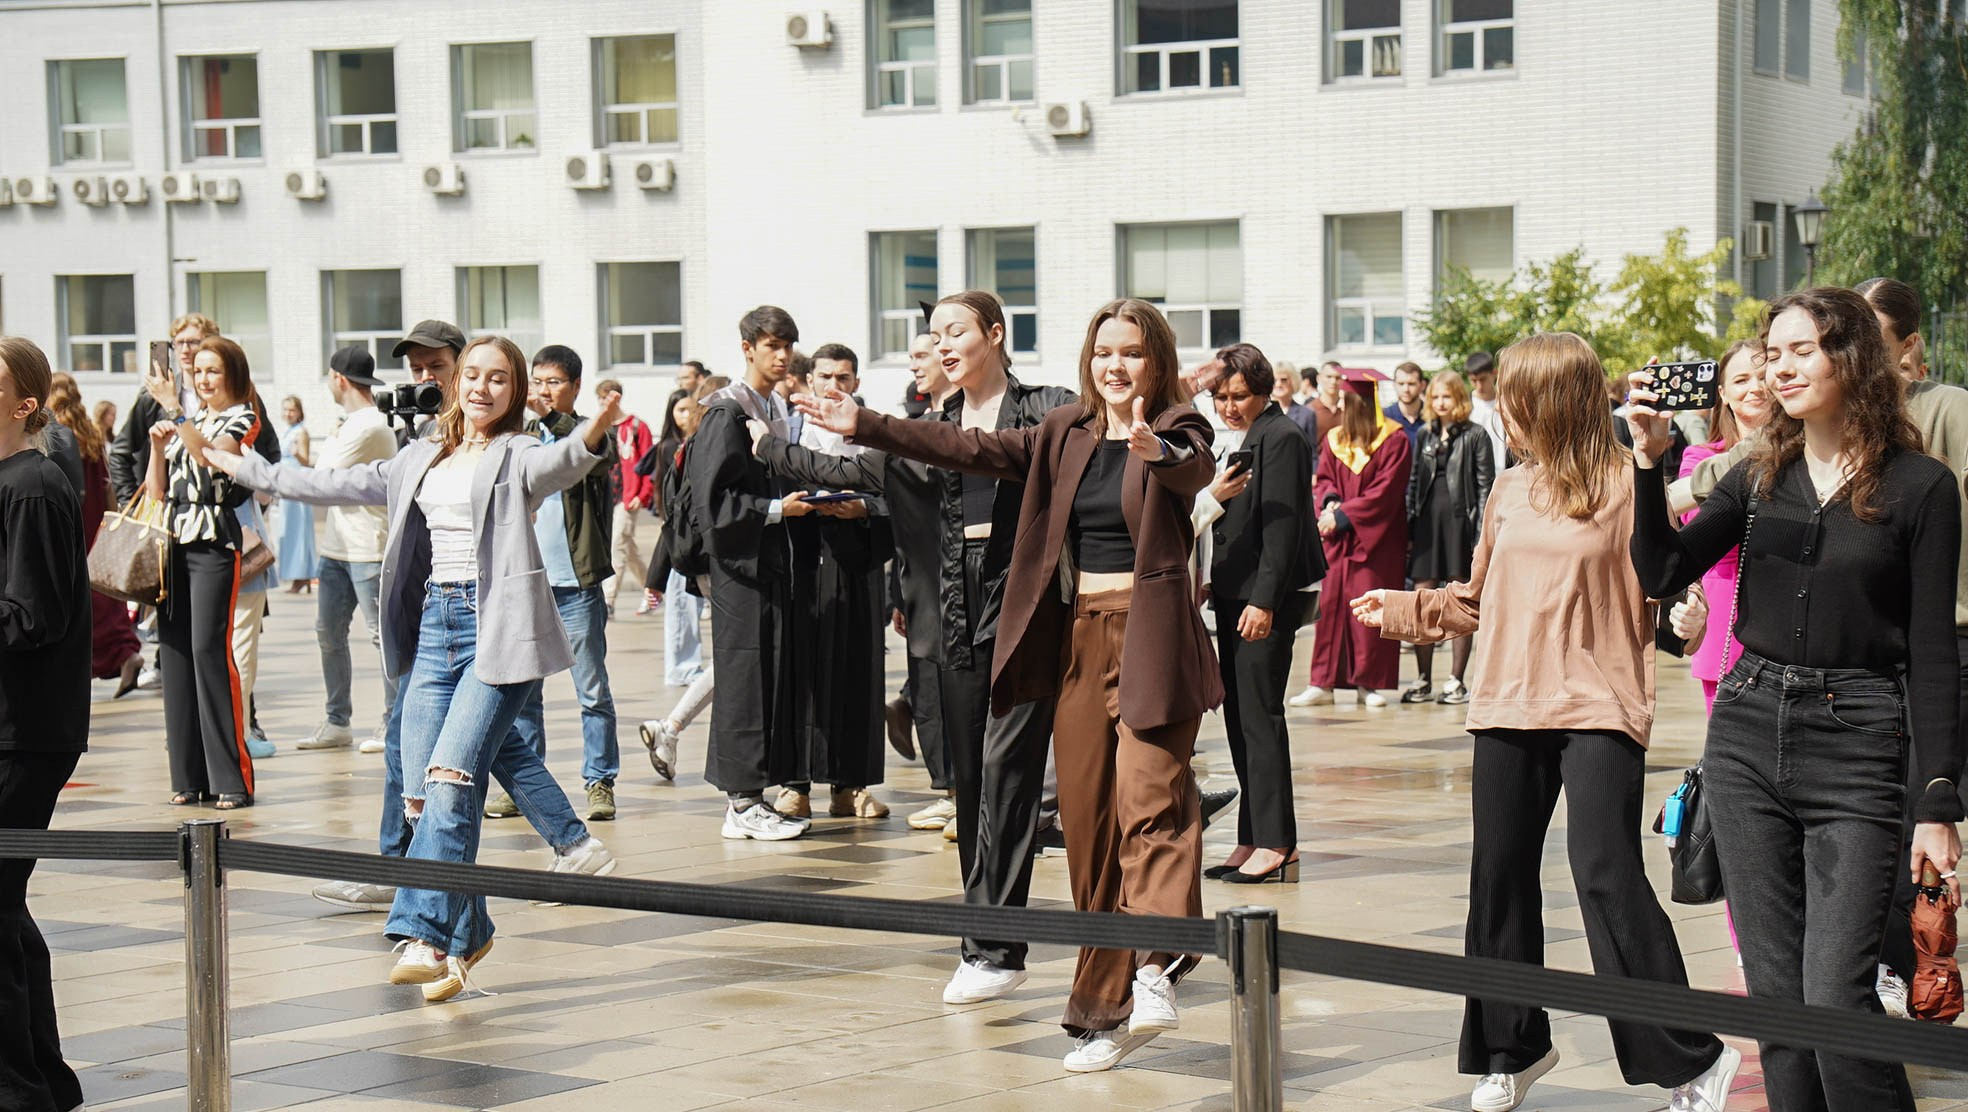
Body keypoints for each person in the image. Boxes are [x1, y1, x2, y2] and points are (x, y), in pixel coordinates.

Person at [799, 296, 1219, 1074]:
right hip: (1077, 643)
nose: (1115, 366)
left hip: (1155, 641)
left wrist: (1151, 447)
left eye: (1130, 353)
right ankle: (1104, 1013)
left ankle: (1158, 966)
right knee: (1091, 830)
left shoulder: (1178, 429)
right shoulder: (1064, 431)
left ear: (1155, 362)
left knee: (1151, 800)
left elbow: (1196, 467)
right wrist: (867, 425)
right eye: (1103, 353)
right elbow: (969, 447)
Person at [1354, 331, 1740, 1112]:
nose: (1502, 411)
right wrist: (1403, 609)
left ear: (1551, 400)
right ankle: (1511, 1048)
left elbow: (1665, 578)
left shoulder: (1631, 482)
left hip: (1599, 704)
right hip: (1506, 701)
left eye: (1514, 399)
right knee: (1496, 879)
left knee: (1605, 875)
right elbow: (1474, 598)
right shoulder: (1507, 490)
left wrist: (1685, 611)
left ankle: (1688, 1059)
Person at [1629, 288, 1964, 1110]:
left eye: (1800, 350)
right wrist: (1647, 465)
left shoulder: (1921, 488)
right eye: (1771, 352)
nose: (1779, 367)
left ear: (1850, 356)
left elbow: (1930, 652)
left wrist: (1938, 798)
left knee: (1835, 1001)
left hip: (1859, 745)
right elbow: (1662, 570)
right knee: (1778, 1007)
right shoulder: (1757, 473)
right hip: (1745, 732)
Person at [208, 336, 621, 998]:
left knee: (453, 773)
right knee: (422, 795)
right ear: (458, 384)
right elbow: (327, 484)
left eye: (499, 380)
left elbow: (560, 465)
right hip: (434, 629)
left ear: (514, 394)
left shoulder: (516, 454)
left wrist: (596, 431)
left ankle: (424, 935)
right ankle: (471, 930)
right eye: (474, 376)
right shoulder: (419, 455)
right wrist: (248, 467)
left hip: (497, 631)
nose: (482, 388)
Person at [0, 336, 91, 1112]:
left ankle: (22, 1086)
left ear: (23, 403)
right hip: (17, 728)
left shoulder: (31, 483)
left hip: (22, 732)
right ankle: (42, 1082)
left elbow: (32, 616)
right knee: (3, 904)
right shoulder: (15, 480)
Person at [688, 307, 820, 841]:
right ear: (747, 347)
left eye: (788, 344)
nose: (782, 354)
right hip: (740, 570)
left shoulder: (773, 411)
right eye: (771, 344)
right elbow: (712, 504)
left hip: (772, 567)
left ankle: (756, 795)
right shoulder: (726, 412)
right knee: (744, 678)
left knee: (770, 676)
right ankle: (741, 802)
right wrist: (774, 511)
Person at [1196, 344, 1321, 884]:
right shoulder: (1247, 435)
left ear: (1265, 391)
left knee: (1261, 717)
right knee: (1242, 719)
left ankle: (1277, 840)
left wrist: (1264, 601)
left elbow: (1284, 526)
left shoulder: (1283, 435)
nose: (1228, 406)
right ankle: (1253, 835)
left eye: (1238, 396)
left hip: (1261, 598)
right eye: (1221, 397)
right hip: (1233, 592)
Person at [491, 344, 622, 823]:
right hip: (526, 583)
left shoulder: (593, 434)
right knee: (524, 694)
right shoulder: (517, 436)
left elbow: (598, 457)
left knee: (591, 690)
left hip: (576, 585)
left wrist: (559, 422)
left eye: (554, 383)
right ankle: (525, 784)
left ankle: (600, 781)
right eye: (538, 382)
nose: (543, 392)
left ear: (575, 388)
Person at [763, 343, 894, 820]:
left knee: (856, 677)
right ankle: (795, 784)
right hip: (801, 563)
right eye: (825, 377)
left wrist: (864, 508)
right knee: (798, 674)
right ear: (807, 381)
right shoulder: (785, 433)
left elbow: (902, 503)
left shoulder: (876, 435)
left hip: (856, 567)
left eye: (843, 378)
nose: (833, 386)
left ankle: (850, 786)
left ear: (856, 384)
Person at [143, 336, 262, 809]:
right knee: (173, 654)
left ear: (232, 373)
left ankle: (231, 779)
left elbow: (211, 458)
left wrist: (176, 413)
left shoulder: (243, 416)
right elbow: (157, 492)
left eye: (213, 370)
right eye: (199, 371)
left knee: (208, 651)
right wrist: (156, 447)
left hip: (214, 542)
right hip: (171, 541)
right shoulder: (188, 420)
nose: (204, 378)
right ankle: (187, 776)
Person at [293, 347, 399, 754]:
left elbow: (323, 477)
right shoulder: (351, 424)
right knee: (328, 633)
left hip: (369, 546)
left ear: (339, 378)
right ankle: (338, 720)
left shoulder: (370, 426)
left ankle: (393, 721)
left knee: (381, 637)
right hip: (337, 546)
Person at [1294, 367, 1412, 708]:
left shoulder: (1394, 440)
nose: (1342, 407)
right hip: (1339, 541)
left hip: (1375, 541)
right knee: (1330, 608)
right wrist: (1330, 502)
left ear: (1363, 403)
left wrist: (1343, 516)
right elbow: (1325, 477)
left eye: (1348, 401)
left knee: (1367, 607)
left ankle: (1369, 683)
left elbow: (1385, 494)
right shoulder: (1335, 440)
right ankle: (1323, 682)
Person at [1673, 342, 1768, 712]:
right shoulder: (1701, 458)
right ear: (1723, 394)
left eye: (1762, 377)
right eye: (1742, 379)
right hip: (1727, 608)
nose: (1755, 387)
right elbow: (1699, 528)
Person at [1399, 370, 1494, 706]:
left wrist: (1481, 535)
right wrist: (1409, 528)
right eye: (1436, 397)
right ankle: (1423, 677)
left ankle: (1456, 679)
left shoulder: (1476, 435)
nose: (1440, 403)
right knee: (1422, 597)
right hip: (1426, 522)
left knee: (1458, 599)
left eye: (1447, 397)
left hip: (1459, 522)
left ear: (1459, 399)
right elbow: (1413, 483)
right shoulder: (1424, 435)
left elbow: (1486, 487)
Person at [46, 373, 143, 696]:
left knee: (80, 594)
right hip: (98, 522)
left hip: (75, 521)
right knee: (103, 589)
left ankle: (87, 665)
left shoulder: (55, 434)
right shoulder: (89, 430)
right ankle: (126, 652)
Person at [599, 378, 655, 616]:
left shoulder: (636, 426)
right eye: (601, 398)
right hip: (607, 496)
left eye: (607, 397)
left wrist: (643, 494)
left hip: (628, 496)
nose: (604, 402)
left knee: (618, 544)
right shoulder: (600, 427)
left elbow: (649, 465)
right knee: (627, 549)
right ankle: (652, 589)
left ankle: (608, 600)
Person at [274, 395, 318, 593]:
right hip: (286, 485)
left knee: (298, 532)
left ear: (299, 412)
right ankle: (298, 577)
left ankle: (302, 576)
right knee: (288, 531)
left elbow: (306, 461)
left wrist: (296, 453)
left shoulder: (301, 432)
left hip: (297, 485)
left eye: (292, 410)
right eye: (285, 409)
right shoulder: (287, 432)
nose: (288, 413)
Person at [1464, 351, 1509, 470]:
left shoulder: (1507, 404)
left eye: (1483, 379)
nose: (1479, 386)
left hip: (1504, 472)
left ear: (1494, 373)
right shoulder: (1465, 407)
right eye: (1474, 380)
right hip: (1476, 475)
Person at [1269, 362, 1320, 445]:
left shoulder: (1307, 414)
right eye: (1274, 380)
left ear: (1293, 381)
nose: (1278, 384)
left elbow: (1311, 451)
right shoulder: (1262, 413)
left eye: (1284, 380)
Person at [1384, 362, 1426, 447]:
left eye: (1411, 384)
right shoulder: (1385, 417)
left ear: (1422, 385)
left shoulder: (1433, 417)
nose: (1406, 389)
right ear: (1394, 385)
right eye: (1401, 384)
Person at [1308, 361, 1344, 444]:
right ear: (1319, 378)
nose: (1333, 381)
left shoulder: (1348, 410)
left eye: (1337, 378)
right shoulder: (1310, 410)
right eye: (1329, 377)